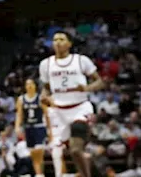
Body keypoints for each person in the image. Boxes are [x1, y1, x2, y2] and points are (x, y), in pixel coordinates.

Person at [39, 31, 104, 177]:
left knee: (75, 149)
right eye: (55, 40)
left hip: (80, 108)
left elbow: (100, 81)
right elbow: (46, 88)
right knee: (74, 153)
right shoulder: (45, 64)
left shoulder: (81, 60)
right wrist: (44, 97)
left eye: (62, 39)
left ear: (69, 43)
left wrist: (86, 88)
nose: (57, 42)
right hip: (59, 112)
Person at [14, 77, 48, 177]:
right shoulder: (21, 99)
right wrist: (17, 126)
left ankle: (40, 174)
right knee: (34, 155)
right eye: (27, 84)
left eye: (31, 84)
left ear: (35, 86)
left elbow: (46, 113)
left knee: (39, 153)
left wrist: (49, 128)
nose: (29, 86)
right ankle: (39, 174)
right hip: (28, 128)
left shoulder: (40, 98)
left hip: (39, 127)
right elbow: (19, 114)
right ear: (25, 87)